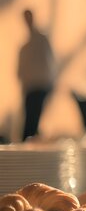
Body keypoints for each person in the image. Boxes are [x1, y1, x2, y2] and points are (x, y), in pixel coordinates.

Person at [18, 9, 55, 141]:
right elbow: (21, 71)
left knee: (32, 118)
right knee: (31, 118)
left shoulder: (41, 41)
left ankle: (29, 140)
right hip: (31, 87)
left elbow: (49, 63)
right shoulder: (25, 47)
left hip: (39, 86)